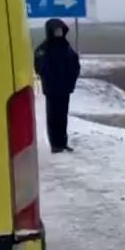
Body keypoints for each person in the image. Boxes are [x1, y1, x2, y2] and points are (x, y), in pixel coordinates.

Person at [34, 18, 80, 153]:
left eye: (61, 30)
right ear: (50, 31)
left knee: (62, 116)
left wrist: (71, 81)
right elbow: (39, 66)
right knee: (53, 117)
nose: (59, 33)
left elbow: (74, 64)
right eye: (57, 31)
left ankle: (62, 142)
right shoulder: (43, 49)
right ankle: (55, 144)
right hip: (52, 89)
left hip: (65, 88)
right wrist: (49, 79)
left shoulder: (66, 47)